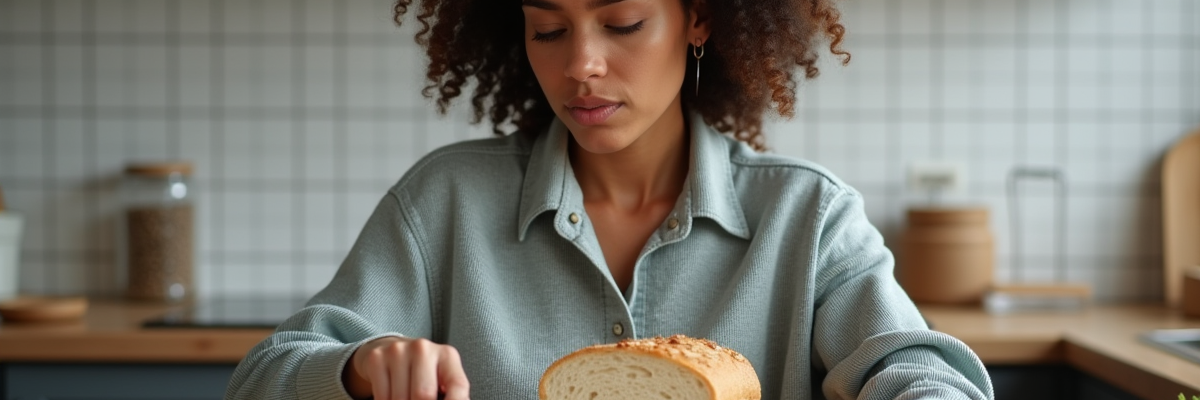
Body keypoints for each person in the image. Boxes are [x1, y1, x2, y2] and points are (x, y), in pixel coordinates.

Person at [226, 0, 994, 398]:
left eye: (622, 23)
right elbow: (267, 376)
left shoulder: (808, 216)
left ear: (697, 18)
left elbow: (912, 366)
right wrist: (358, 367)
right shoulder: (445, 200)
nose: (581, 65)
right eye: (548, 30)